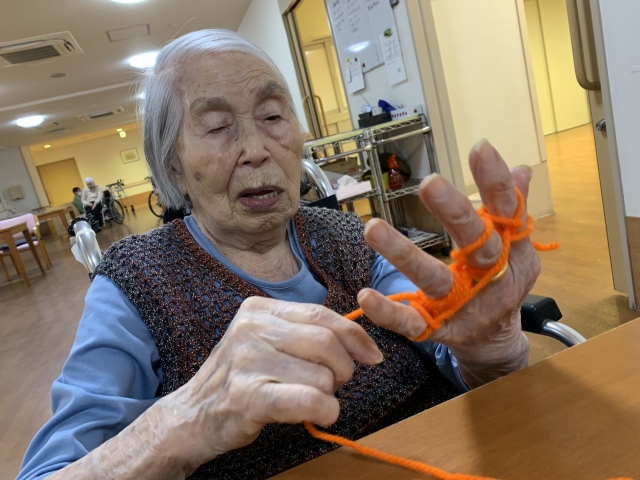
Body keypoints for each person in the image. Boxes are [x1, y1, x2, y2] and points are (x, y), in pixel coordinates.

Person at [17, 30, 539, 480]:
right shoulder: (137, 281)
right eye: (217, 127)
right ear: (173, 168)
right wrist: (187, 418)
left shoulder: (345, 236)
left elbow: (457, 357)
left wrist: (490, 350)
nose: (256, 149)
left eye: (272, 115)